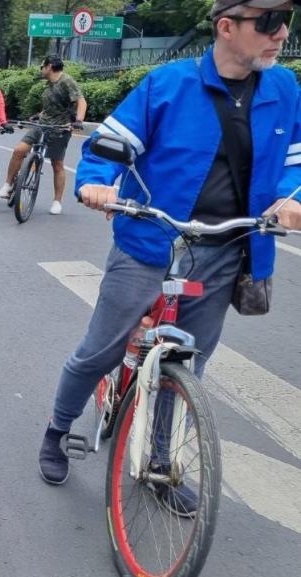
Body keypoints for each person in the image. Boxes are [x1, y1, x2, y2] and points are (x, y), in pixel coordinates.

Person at [36, 0, 301, 517]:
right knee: (100, 351)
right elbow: (108, 146)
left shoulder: (285, 89)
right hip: (151, 243)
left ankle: (159, 462)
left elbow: (296, 158)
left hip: (227, 250)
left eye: (284, 20)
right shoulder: (168, 84)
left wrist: (292, 198)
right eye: (268, 22)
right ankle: (58, 429)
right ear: (227, 28)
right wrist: (95, 186)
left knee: (188, 365)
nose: (281, 32)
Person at [0, 55, 85, 215]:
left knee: (57, 164)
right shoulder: (49, 84)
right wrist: (39, 114)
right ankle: (8, 184)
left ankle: (57, 201)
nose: (41, 70)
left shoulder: (66, 81)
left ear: (49, 66)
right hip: (42, 124)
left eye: (42, 67)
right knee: (19, 150)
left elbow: (81, 101)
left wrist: (78, 120)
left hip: (59, 128)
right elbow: (54, 105)